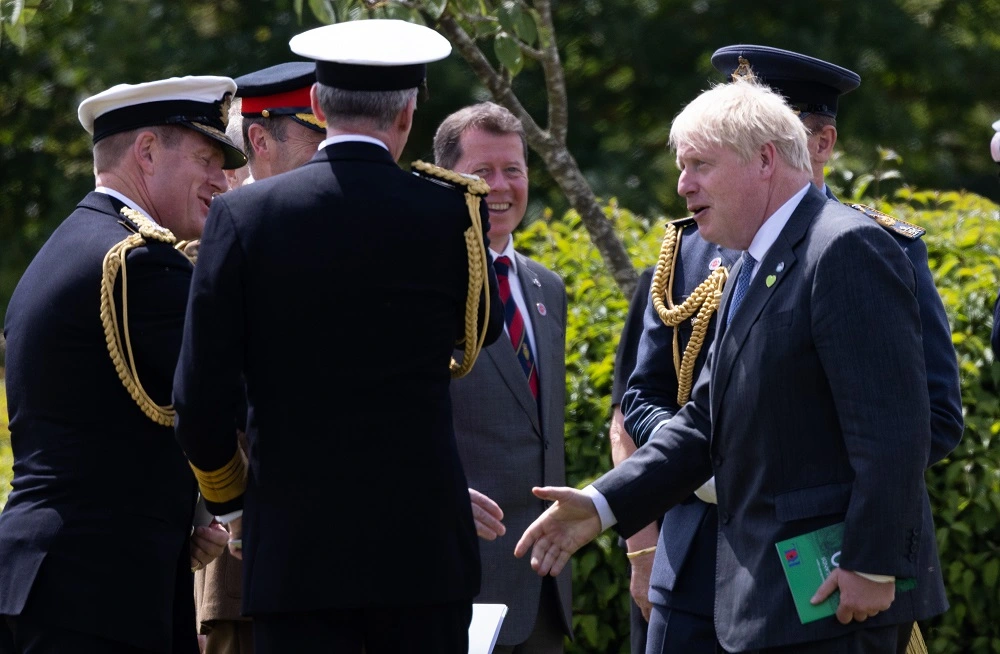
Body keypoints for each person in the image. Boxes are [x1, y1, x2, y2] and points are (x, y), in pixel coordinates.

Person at [516, 76, 949, 654]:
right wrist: (600, 505)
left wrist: (873, 563)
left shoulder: (845, 247)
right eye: (681, 166)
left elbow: (896, 429)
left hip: (835, 597)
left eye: (699, 165)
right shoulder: (752, 261)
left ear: (765, 159)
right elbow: (703, 423)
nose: (682, 184)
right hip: (769, 601)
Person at [172, 19, 504, 654]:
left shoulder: (244, 216)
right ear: (408, 113)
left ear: (320, 106)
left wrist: (237, 504)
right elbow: (479, 334)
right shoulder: (451, 213)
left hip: (296, 559)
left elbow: (199, 398)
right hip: (423, 559)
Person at [0, 76, 244, 653]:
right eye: (207, 158)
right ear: (147, 152)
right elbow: (243, 391)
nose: (221, 180)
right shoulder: (137, 263)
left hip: (65, 581)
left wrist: (179, 517)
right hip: (95, 593)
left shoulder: (76, 243)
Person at [192, 61, 326, 654]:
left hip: (353, 566)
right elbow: (195, 404)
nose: (333, 150)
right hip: (244, 560)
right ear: (259, 140)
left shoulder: (347, 230)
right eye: (316, 136)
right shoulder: (207, 248)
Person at [434, 102, 573, 653]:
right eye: (481, 172)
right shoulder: (425, 285)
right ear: (447, 178)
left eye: (513, 170)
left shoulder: (548, 287)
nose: (500, 186)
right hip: (457, 580)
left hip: (544, 584)